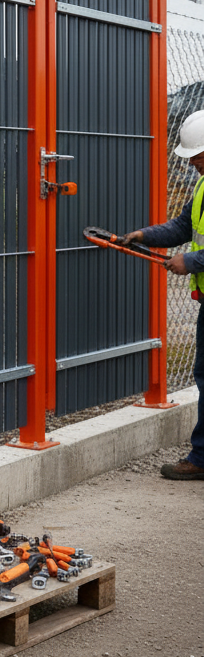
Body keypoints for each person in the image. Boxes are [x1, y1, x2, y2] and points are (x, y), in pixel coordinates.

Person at [121, 109, 204, 480]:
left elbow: (191, 248)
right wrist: (145, 235)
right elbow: (183, 226)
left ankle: (201, 460)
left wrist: (191, 261)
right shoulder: (203, 186)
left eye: (198, 156)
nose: (194, 164)